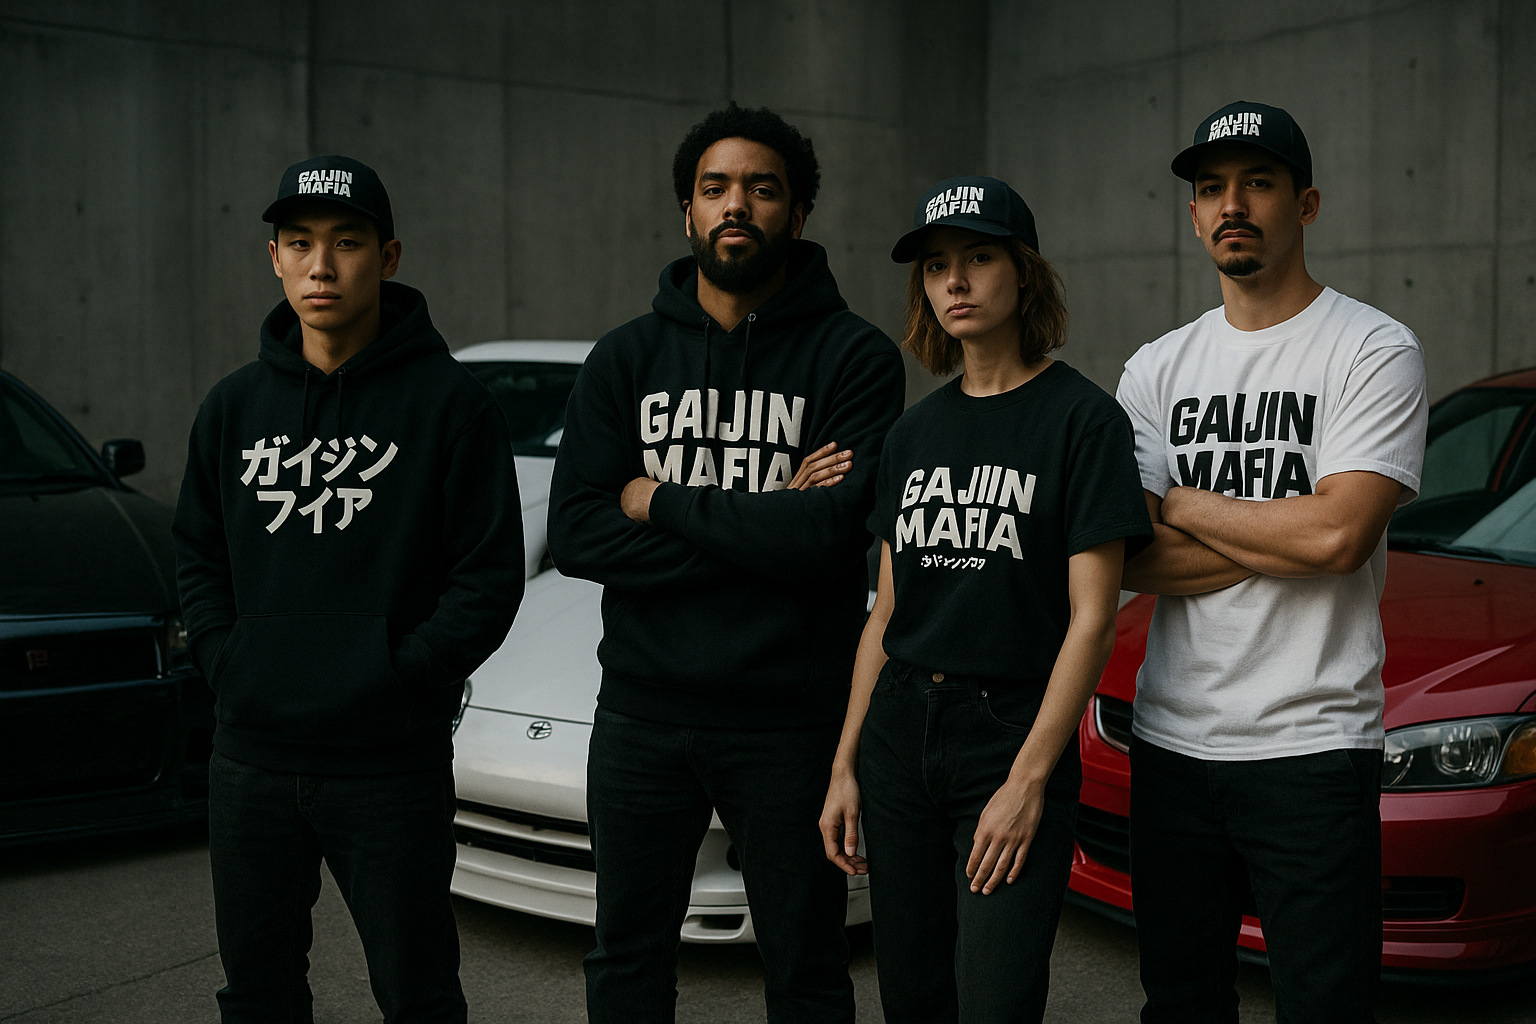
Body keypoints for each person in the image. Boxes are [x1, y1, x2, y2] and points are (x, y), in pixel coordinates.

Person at [546, 104, 906, 1024]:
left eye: (761, 188)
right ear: (687, 208)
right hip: (641, 717)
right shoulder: (626, 358)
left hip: (790, 723)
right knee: (625, 960)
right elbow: (581, 535)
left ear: (798, 211)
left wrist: (658, 498)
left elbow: (828, 540)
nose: (735, 205)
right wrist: (769, 518)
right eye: (716, 189)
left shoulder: (854, 357)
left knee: (807, 967)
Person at [172, 155, 526, 1024]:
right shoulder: (231, 407)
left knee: (417, 992)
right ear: (276, 258)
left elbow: (486, 576)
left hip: (388, 765)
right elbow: (197, 557)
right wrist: (232, 662)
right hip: (251, 758)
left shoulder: (451, 405)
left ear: (390, 256)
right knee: (256, 991)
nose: (322, 266)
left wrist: (400, 673)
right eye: (300, 243)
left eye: (347, 243)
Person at [1116, 101, 1429, 1023]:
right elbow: (1129, 556)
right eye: (1211, 189)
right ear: (1193, 214)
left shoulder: (1371, 348)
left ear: (1309, 203)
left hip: (1313, 746)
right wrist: (1283, 531)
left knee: (1326, 1005)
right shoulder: (1155, 369)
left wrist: (1182, 503)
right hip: (1170, 744)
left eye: (1257, 182)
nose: (1232, 204)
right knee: (1179, 1003)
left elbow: (1340, 539)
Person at [819, 176, 1153, 1024]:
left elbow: (1092, 617)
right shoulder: (911, 434)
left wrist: (1029, 779)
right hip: (899, 733)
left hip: (1007, 732)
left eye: (978, 258)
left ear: (1024, 273)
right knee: (913, 993)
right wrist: (846, 762)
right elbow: (886, 615)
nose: (955, 282)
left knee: (996, 999)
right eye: (936, 267)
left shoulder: (1082, 421)